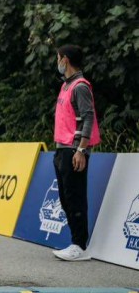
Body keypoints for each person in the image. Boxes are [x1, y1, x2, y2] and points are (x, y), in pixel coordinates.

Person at [51, 44, 100, 262]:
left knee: (75, 198)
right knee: (66, 198)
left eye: (58, 58)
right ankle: (74, 242)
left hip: (74, 149)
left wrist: (81, 149)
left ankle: (80, 245)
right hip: (62, 149)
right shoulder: (66, 86)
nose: (57, 63)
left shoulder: (80, 86)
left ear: (65, 60)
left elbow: (88, 118)